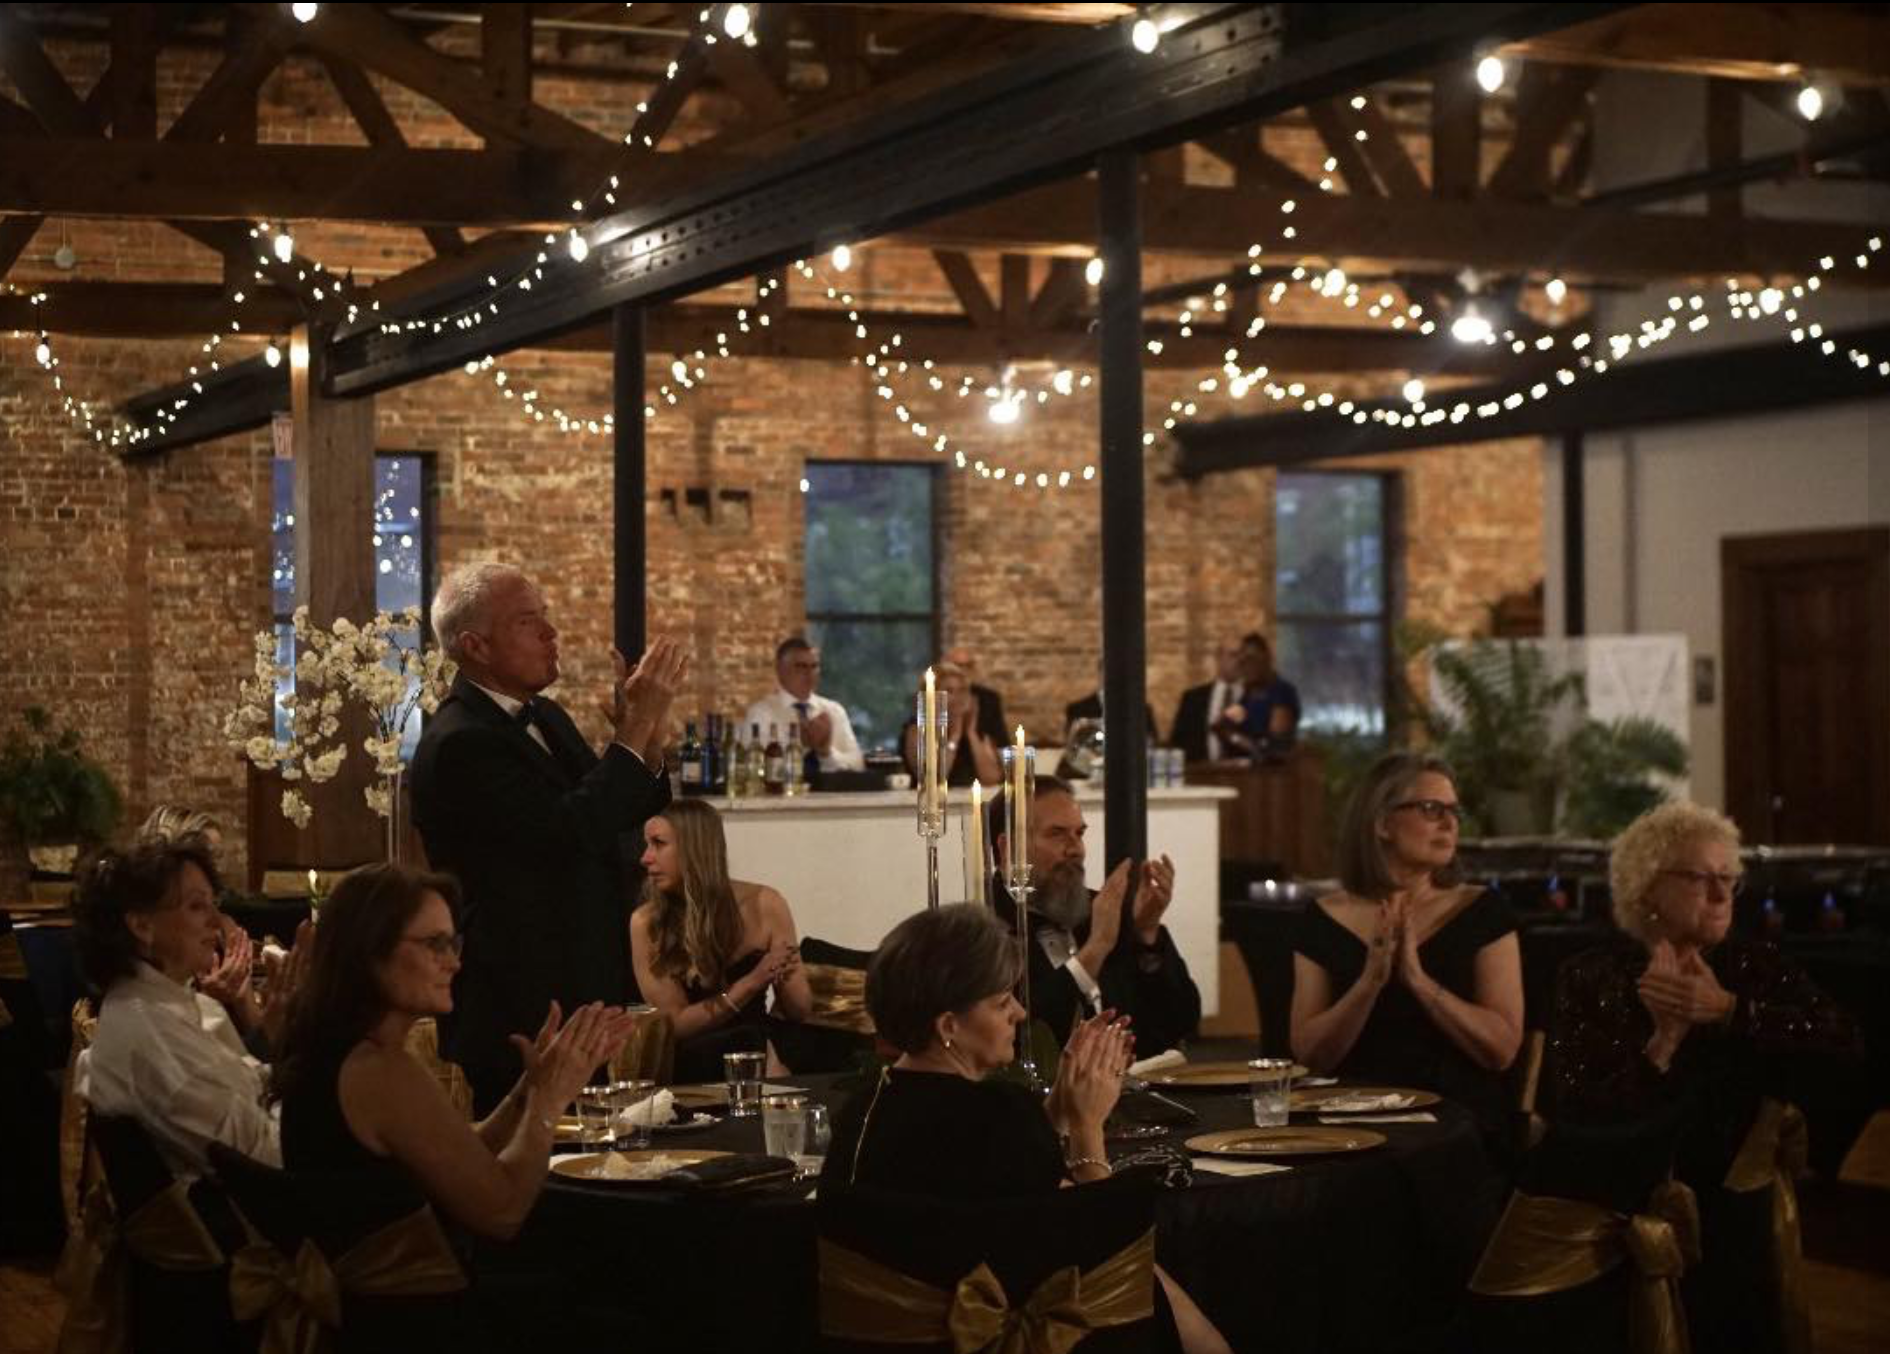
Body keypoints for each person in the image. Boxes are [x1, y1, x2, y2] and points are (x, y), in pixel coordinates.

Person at [822, 905, 1231, 1354]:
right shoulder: (1001, 1113)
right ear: (948, 1027)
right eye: (1001, 1002)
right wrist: (1087, 1125)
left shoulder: (862, 1110)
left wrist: (1058, 1107)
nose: (1019, 1012)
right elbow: (1108, 1246)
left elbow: (999, 1172)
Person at [1549, 803, 1859, 1354]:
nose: (1720, 894)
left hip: (1731, 1205)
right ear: (1646, 888)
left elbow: (1846, 1045)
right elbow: (1578, 1112)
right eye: (1699, 877)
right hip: (1620, 1206)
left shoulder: (1755, 968)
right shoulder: (1590, 975)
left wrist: (1731, 1011)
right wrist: (1662, 1044)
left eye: (1728, 879)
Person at [411, 561, 683, 1113]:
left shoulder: (548, 716)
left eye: (546, 616)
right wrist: (633, 728)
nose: (551, 632)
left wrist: (648, 738)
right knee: (533, 1152)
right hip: (519, 997)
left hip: (581, 981)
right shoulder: (460, 741)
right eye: (526, 621)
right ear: (475, 645)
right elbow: (569, 829)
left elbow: (621, 812)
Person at [270, 864, 634, 1242]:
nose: (455, 963)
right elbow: (503, 1212)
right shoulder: (378, 1071)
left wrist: (529, 1089)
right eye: (435, 944)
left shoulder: (344, 1052)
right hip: (412, 1280)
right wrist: (548, 1102)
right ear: (372, 950)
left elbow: (464, 1158)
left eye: (453, 944)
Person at [1290, 752, 1523, 1137]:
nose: (1449, 823)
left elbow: (1502, 1051)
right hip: (1348, 1120)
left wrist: (1417, 980)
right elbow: (1310, 1057)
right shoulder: (1323, 918)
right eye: (1432, 809)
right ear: (1382, 823)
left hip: (1458, 1121)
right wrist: (1369, 983)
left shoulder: (1483, 911)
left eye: (1454, 811)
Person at [72, 838, 307, 1177]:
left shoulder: (166, 1003)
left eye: (214, 904)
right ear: (142, 926)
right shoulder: (153, 1035)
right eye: (197, 906)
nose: (216, 921)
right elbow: (265, 1156)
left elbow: (253, 1081)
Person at [990, 776, 1200, 1054]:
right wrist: (1096, 950)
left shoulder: (1098, 908)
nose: (1076, 849)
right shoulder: (982, 930)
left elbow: (1181, 1021)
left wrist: (1146, 934)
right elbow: (1023, 1038)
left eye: (1079, 834)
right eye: (1057, 834)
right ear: (1008, 848)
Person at [629, 799, 813, 1080]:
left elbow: (799, 1010)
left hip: (756, 1054)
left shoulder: (766, 903)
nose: (645, 858)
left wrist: (785, 972)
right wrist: (751, 983)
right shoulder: (647, 922)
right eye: (647, 844)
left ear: (695, 849)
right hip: (691, 1065)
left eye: (658, 844)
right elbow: (675, 1025)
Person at [743, 636, 865, 777]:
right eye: (801, 666)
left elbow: (858, 764)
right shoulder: (761, 713)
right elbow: (752, 767)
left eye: (814, 666)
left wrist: (826, 753)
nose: (809, 673)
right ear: (780, 669)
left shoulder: (834, 711)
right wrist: (800, 746)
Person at [899, 660, 1002, 787]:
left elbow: (992, 779)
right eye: (949, 691)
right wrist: (955, 736)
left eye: (962, 690)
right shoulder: (917, 730)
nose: (958, 697)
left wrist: (971, 734)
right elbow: (933, 779)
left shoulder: (977, 730)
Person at [1209, 632, 1299, 758]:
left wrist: (1234, 737)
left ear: (1267, 658)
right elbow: (1220, 726)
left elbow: (1276, 748)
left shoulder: (1282, 692)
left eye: (1251, 659)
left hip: (1272, 770)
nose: (1246, 667)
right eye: (1243, 662)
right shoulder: (1247, 695)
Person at [1169, 639, 1244, 763]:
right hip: (1201, 770)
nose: (1240, 661)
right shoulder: (1193, 698)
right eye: (1233, 655)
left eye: (1243, 656)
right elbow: (1178, 743)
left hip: (1242, 772)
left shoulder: (1250, 697)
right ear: (1219, 658)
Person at [940, 645, 1009, 746]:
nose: (963, 671)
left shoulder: (989, 699)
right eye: (958, 665)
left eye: (968, 665)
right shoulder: (935, 698)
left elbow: (1001, 741)